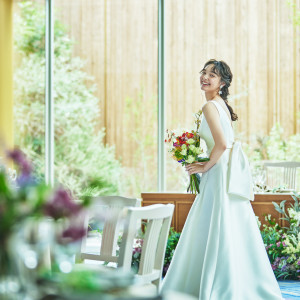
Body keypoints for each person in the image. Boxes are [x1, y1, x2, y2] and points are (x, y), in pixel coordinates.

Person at [160, 59, 283, 300]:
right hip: (226, 171)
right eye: (204, 73)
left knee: (214, 220)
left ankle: (212, 284)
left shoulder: (209, 107)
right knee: (229, 223)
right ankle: (235, 283)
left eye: (212, 75)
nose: (205, 77)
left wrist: (205, 165)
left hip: (218, 171)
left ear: (222, 82)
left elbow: (223, 143)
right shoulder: (221, 105)